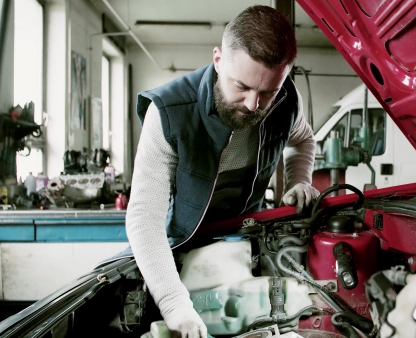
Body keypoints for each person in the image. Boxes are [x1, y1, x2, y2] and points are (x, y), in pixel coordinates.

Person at [123, 5, 319, 338]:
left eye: (267, 92)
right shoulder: (169, 113)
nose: (253, 105)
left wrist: (301, 180)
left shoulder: (287, 102)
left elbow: (304, 140)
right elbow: (144, 217)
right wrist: (174, 304)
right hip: (182, 250)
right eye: (241, 86)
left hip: (247, 243)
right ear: (218, 60)